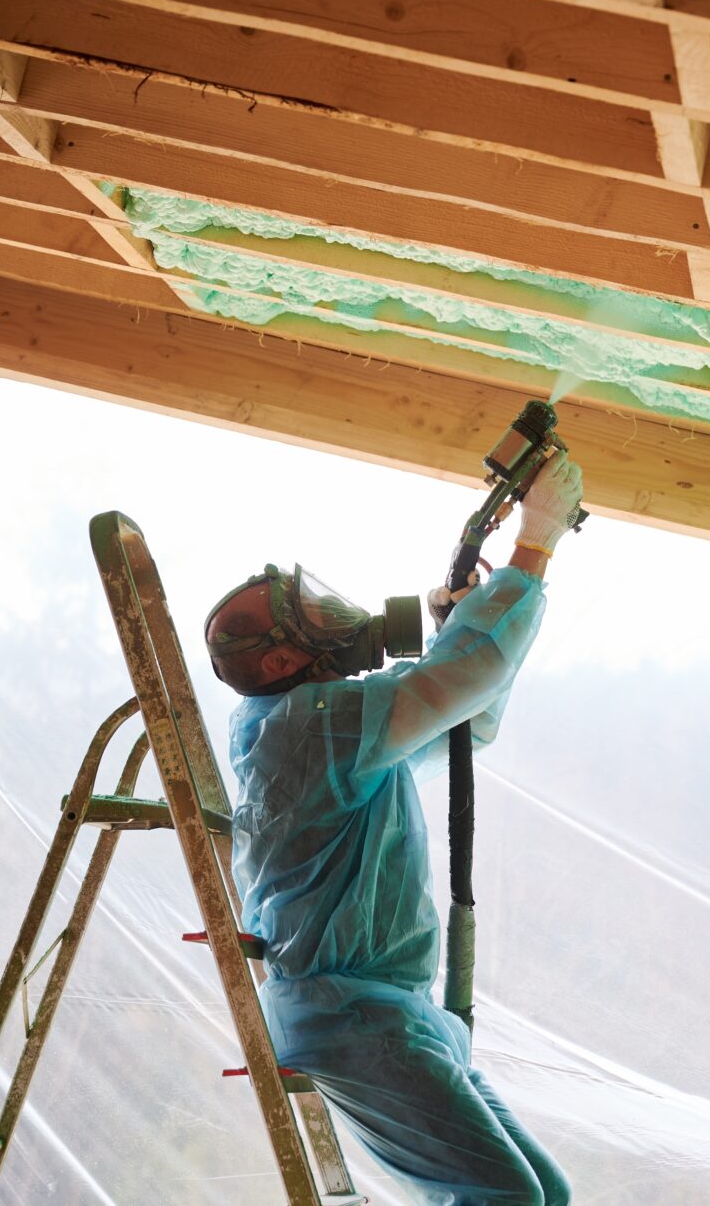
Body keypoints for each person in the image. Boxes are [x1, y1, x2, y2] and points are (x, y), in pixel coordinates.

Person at [201, 456, 585, 1206]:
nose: (330, 614)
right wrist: (534, 543)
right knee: (511, 1199)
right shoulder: (311, 725)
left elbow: (464, 720)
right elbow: (464, 678)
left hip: (386, 1014)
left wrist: (457, 632)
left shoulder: (319, 726)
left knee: (546, 1192)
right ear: (282, 659)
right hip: (357, 1019)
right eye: (304, 613)